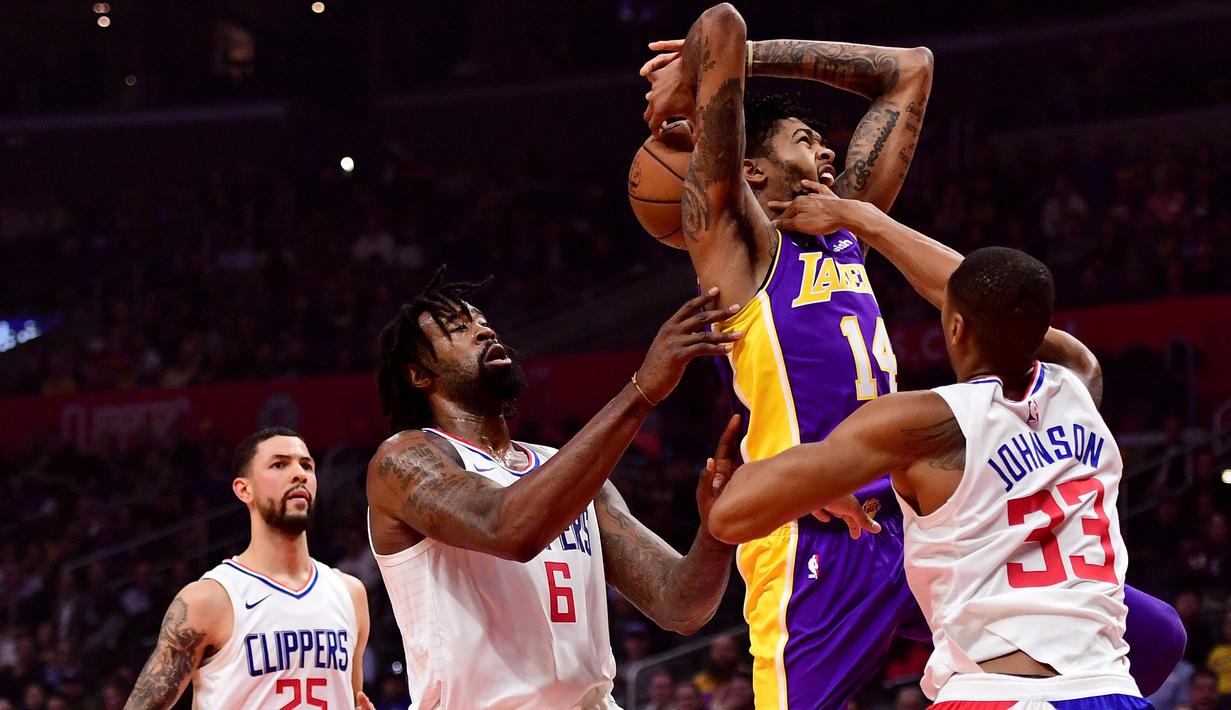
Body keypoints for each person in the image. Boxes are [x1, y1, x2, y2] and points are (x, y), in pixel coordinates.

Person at [639, 5, 1183, 705]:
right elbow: (720, 23)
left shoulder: (842, 232)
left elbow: (910, 70)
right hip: (813, 531)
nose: (827, 152)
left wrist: (729, 67)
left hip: (913, 518)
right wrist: (702, 67)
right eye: (806, 141)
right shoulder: (735, 255)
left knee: (1157, 633)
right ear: (750, 171)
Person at [710, 247, 1148, 706]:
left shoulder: (923, 425)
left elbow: (730, 517)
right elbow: (992, 297)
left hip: (994, 692)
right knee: (1164, 632)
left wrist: (794, 485)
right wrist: (865, 221)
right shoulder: (1081, 385)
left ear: (955, 326)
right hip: (1109, 686)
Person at [368, 269, 745, 708]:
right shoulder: (403, 460)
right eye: (460, 328)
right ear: (418, 374)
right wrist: (641, 391)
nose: (483, 330)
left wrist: (716, 533)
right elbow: (507, 528)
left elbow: (680, 606)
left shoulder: (562, 469)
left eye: (482, 321)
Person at [123, 428, 372, 710]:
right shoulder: (208, 599)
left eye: (306, 465)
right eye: (279, 464)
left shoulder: (350, 594)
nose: (299, 474)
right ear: (244, 489)